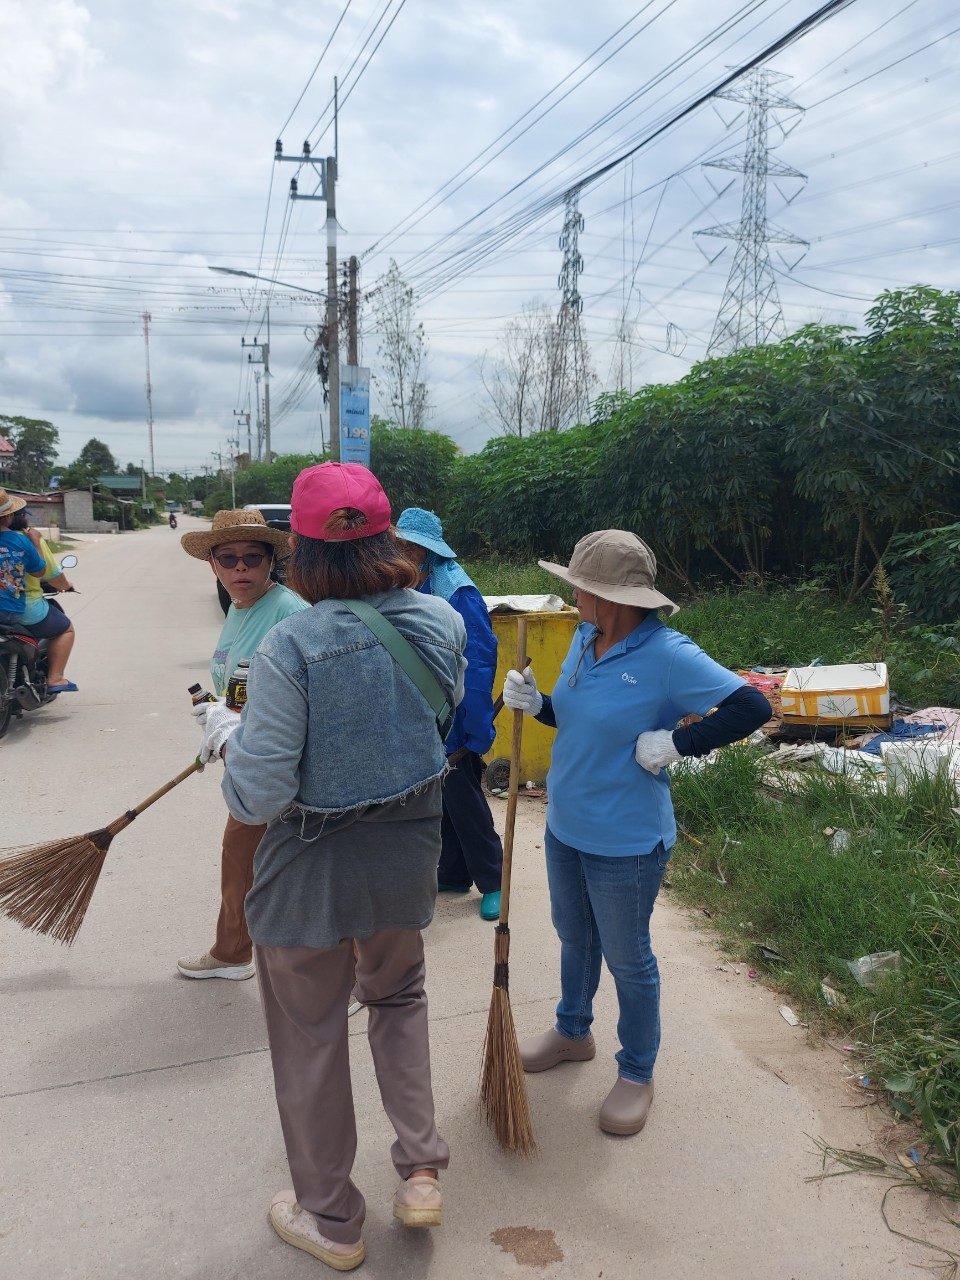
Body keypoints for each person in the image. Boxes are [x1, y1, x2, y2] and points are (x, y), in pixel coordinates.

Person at [195, 462, 466, 1272]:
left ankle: (333, 1220)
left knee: (310, 1034)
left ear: (299, 553)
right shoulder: (439, 620)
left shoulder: (293, 643)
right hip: (407, 853)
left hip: (309, 866)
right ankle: (420, 1171)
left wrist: (227, 738)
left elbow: (258, 794)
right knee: (399, 998)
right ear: (388, 538)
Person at [502, 530, 771, 1137]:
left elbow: (752, 707)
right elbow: (578, 716)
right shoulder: (585, 637)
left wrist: (680, 742)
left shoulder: (668, 655)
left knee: (629, 958)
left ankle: (637, 1071)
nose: (572, 597)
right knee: (575, 936)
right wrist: (539, 704)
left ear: (611, 598)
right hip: (566, 826)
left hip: (625, 841)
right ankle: (573, 1032)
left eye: (579, 588)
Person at [178, 508, 309, 981]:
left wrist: (233, 728)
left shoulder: (290, 613)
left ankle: (357, 978)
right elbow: (239, 687)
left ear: (271, 561)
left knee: (308, 873)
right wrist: (218, 721)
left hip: (285, 766)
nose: (240, 568)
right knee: (239, 860)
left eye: (252, 558)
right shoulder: (238, 608)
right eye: (228, 558)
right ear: (211, 563)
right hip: (248, 760)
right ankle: (233, 952)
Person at [395, 507, 503, 922]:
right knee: (444, 796)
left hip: (457, 713)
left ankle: (495, 880)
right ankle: (455, 871)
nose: (402, 554)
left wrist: (476, 724)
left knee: (464, 796)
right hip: (430, 708)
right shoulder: (418, 582)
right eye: (399, 547)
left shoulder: (458, 592)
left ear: (428, 552)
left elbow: (478, 661)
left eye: (409, 549)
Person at [9, 507, 79, 693]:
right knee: (65, 629)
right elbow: (46, 573)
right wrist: (65, 585)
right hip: (24, 608)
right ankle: (55, 678)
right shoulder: (26, 540)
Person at [0, 489, 48, 630]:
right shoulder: (22, 541)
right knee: (66, 628)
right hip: (11, 611)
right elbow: (39, 572)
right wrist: (36, 542)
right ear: (8, 516)